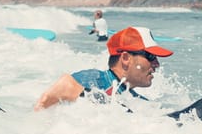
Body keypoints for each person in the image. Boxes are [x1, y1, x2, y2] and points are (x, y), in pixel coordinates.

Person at [35, 26, 173, 110]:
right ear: (125, 58)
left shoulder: (134, 99)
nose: (156, 64)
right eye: (150, 56)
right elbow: (62, 88)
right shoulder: (93, 80)